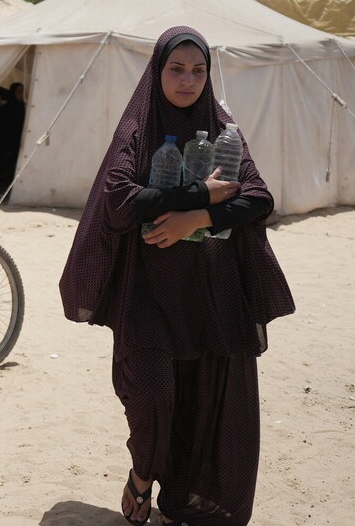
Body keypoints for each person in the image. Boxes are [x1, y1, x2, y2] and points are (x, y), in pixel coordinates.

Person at [59, 26, 295, 526]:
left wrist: (200, 219)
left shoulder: (222, 126)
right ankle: (141, 476)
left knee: (205, 403)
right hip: (146, 293)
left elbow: (258, 197)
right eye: (176, 69)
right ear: (157, 70)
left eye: (198, 70)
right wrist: (201, 195)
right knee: (151, 394)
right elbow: (120, 202)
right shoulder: (138, 130)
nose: (188, 80)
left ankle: (181, 504)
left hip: (210, 294)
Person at [0, 82, 26, 184]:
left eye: (22, 92)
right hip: (7, 141)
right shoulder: (5, 109)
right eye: (18, 92)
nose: (21, 94)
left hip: (21, 140)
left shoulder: (25, 108)